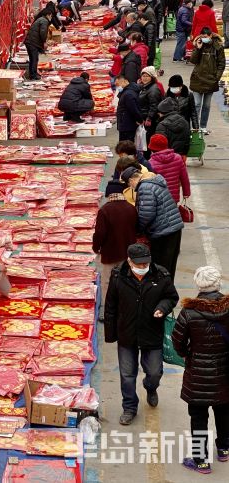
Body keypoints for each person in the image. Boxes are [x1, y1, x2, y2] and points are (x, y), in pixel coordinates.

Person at [104, 243, 179, 425]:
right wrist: (111, 334)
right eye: (138, 265)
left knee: (154, 372)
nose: (142, 268)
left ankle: (150, 387)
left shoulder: (161, 275)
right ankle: (129, 407)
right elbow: (110, 306)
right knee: (127, 375)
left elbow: (171, 297)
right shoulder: (118, 276)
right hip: (127, 334)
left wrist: (162, 308)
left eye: (145, 264)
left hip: (151, 332)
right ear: (129, 261)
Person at [172, 266, 229, 475]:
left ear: (198, 285)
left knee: (198, 418)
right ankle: (224, 448)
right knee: (224, 411)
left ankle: (201, 461)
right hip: (225, 372)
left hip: (197, 375)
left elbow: (177, 341)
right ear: (218, 284)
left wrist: (188, 353)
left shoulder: (188, 312)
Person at [121, 166, 184, 277]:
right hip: (172, 227)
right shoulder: (153, 182)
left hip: (164, 231)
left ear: (131, 180)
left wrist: (138, 230)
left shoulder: (145, 187)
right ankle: (167, 289)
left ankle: (162, 291)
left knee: (161, 267)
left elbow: (147, 214)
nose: (131, 187)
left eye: (129, 185)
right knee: (170, 265)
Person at [93, 184, 138, 320]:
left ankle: (108, 311)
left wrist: (96, 247)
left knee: (107, 282)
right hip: (128, 253)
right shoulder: (131, 208)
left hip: (110, 254)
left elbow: (99, 233)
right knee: (127, 280)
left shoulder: (105, 210)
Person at [189, 27, 226, 134]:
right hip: (197, 79)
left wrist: (216, 77)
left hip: (211, 80)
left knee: (206, 105)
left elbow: (221, 64)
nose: (204, 39)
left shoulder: (218, 47)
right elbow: (193, 60)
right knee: (197, 103)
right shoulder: (199, 45)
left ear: (210, 36)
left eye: (206, 37)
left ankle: (203, 126)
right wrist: (198, 48)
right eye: (203, 37)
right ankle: (194, 126)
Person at [147, 133, 191, 203]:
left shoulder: (150, 163)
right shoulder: (178, 158)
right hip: (174, 198)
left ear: (152, 148)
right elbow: (184, 177)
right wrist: (186, 192)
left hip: (158, 199)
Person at [114, 73, 143, 142]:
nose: (117, 87)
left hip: (127, 125)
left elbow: (134, 109)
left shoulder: (128, 94)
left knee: (125, 146)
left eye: (118, 84)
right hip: (126, 123)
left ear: (125, 81)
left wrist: (139, 120)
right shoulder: (127, 91)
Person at [23, 11, 51, 81]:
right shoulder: (44, 21)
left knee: (32, 59)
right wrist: (44, 42)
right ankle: (33, 75)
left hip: (30, 41)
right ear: (48, 15)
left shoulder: (41, 19)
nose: (51, 17)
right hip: (32, 42)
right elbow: (43, 32)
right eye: (51, 16)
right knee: (34, 59)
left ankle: (33, 74)